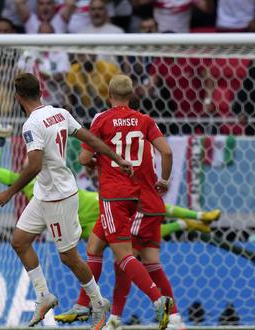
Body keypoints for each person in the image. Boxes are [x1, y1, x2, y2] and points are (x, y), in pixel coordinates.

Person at [0, 73, 134, 329]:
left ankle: (98, 301)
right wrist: (117, 157)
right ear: (40, 91)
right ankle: (44, 295)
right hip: (44, 194)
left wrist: (10, 192)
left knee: (68, 257)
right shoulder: (60, 113)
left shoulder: (31, 124)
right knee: (20, 241)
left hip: (59, 197)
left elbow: (34, 165)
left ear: (18, 97)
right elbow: (89, 138)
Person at [0, 123, 220, 241]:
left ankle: (198, 216)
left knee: (145, 208)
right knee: (132, 236)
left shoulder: (50, 167)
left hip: (89, 204)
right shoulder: (22, 181)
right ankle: (185, 225)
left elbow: (82, 160)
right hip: (79, 226)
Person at [79, 74, 174, 329]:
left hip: (115, 194)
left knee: (123, 256)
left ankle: (155, 301)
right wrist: (164, 180)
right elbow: (166, 151)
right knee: (95, 246)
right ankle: (87, 304)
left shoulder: (103, 118)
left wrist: (96, 161)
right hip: (137, 196)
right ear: (132, 95)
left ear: (108, 95)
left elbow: (85, 157)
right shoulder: (144, 120)